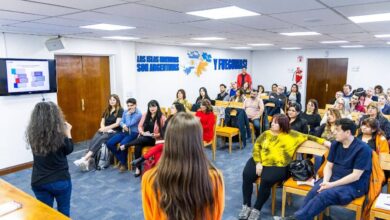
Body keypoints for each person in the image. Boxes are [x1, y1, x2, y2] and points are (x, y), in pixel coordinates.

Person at [239, 114, 330, 220]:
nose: (272, 123)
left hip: (279, 165)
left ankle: (256, 209)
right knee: (247, 175)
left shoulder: (292, 135)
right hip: (259, 160)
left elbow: (310, 137)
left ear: (283, 124)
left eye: (275, 122)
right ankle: (246, 206)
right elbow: (256, 147)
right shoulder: (266, 133)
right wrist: (258, 163)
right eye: (272, 121)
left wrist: (325, 142)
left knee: (266, 180)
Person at [141, 112, 225, 220]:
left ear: (169, 140)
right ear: (198, 141)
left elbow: (150, 216)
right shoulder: (215, 178)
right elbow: (216, 216)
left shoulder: (149, 179)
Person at [286, 118, 372, 220]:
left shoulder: (363, 149)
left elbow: (355, 176)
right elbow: (329, 166)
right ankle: (299, 217)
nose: (333, 132)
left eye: (337, 130)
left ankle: (295, 218)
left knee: (324, 195)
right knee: (314, 191)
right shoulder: (336, 144)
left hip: (352, 185)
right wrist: (326, 182)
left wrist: (330, 185)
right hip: (332, 178)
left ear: (348, 132)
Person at [27, 102, 73, 217]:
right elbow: (69, 149)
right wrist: (68, 132)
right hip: (60, 180)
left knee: (45, 214)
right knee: (63, 211)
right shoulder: (59, 134)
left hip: (39, 181)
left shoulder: (32, 134)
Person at [74, 94, 123, 171]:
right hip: (106, 130)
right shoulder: (107, 109)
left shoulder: (120, 110)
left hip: (115, 131)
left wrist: (106, 128)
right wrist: (103, 128)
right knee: (95, 138)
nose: (112, 101)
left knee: (102, 138)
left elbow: (117, 123)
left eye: (114, 100)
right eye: (110, 100)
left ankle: (85, 158)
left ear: (117, 101)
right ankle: (87, 161)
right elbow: (102, 121)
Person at [131, 102, 186, 169]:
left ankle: (142, 159)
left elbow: (180, 135)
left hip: (177, 142)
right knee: (157, 150)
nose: (170, 109)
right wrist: (158, 137)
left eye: (172, 108)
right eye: (150, 107)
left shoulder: (182, 120)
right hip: (166, 140)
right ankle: (157, 168)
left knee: (159, 146)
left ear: (178, 109)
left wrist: (162, 139)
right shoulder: (170, 118)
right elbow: (164, 131)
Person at [123, 100, 166, 177]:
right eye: (150, 106)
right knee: (138, 145)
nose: (152, 108)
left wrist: (155, 135)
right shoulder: (145, 115)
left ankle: (126, 145)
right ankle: (138, 168)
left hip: (155, 139)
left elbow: (164, 132)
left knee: (141, 140)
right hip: (145, 136)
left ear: (157, 107)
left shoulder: (162, 117)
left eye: (154, 106)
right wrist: (142, 132)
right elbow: (139, 126)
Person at [106, 98, 142, 172]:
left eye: (131, 105)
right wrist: (124, 126)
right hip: (125, 132)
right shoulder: (125, 111)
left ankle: (123, 164)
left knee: (123, 144)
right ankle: (123, 159)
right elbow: (121, 122)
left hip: (134, 133)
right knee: (109, 143)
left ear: (135, 105)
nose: (129, 107)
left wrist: (128, 116)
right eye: (128, 105)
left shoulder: (138, 114)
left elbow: (129, 123)